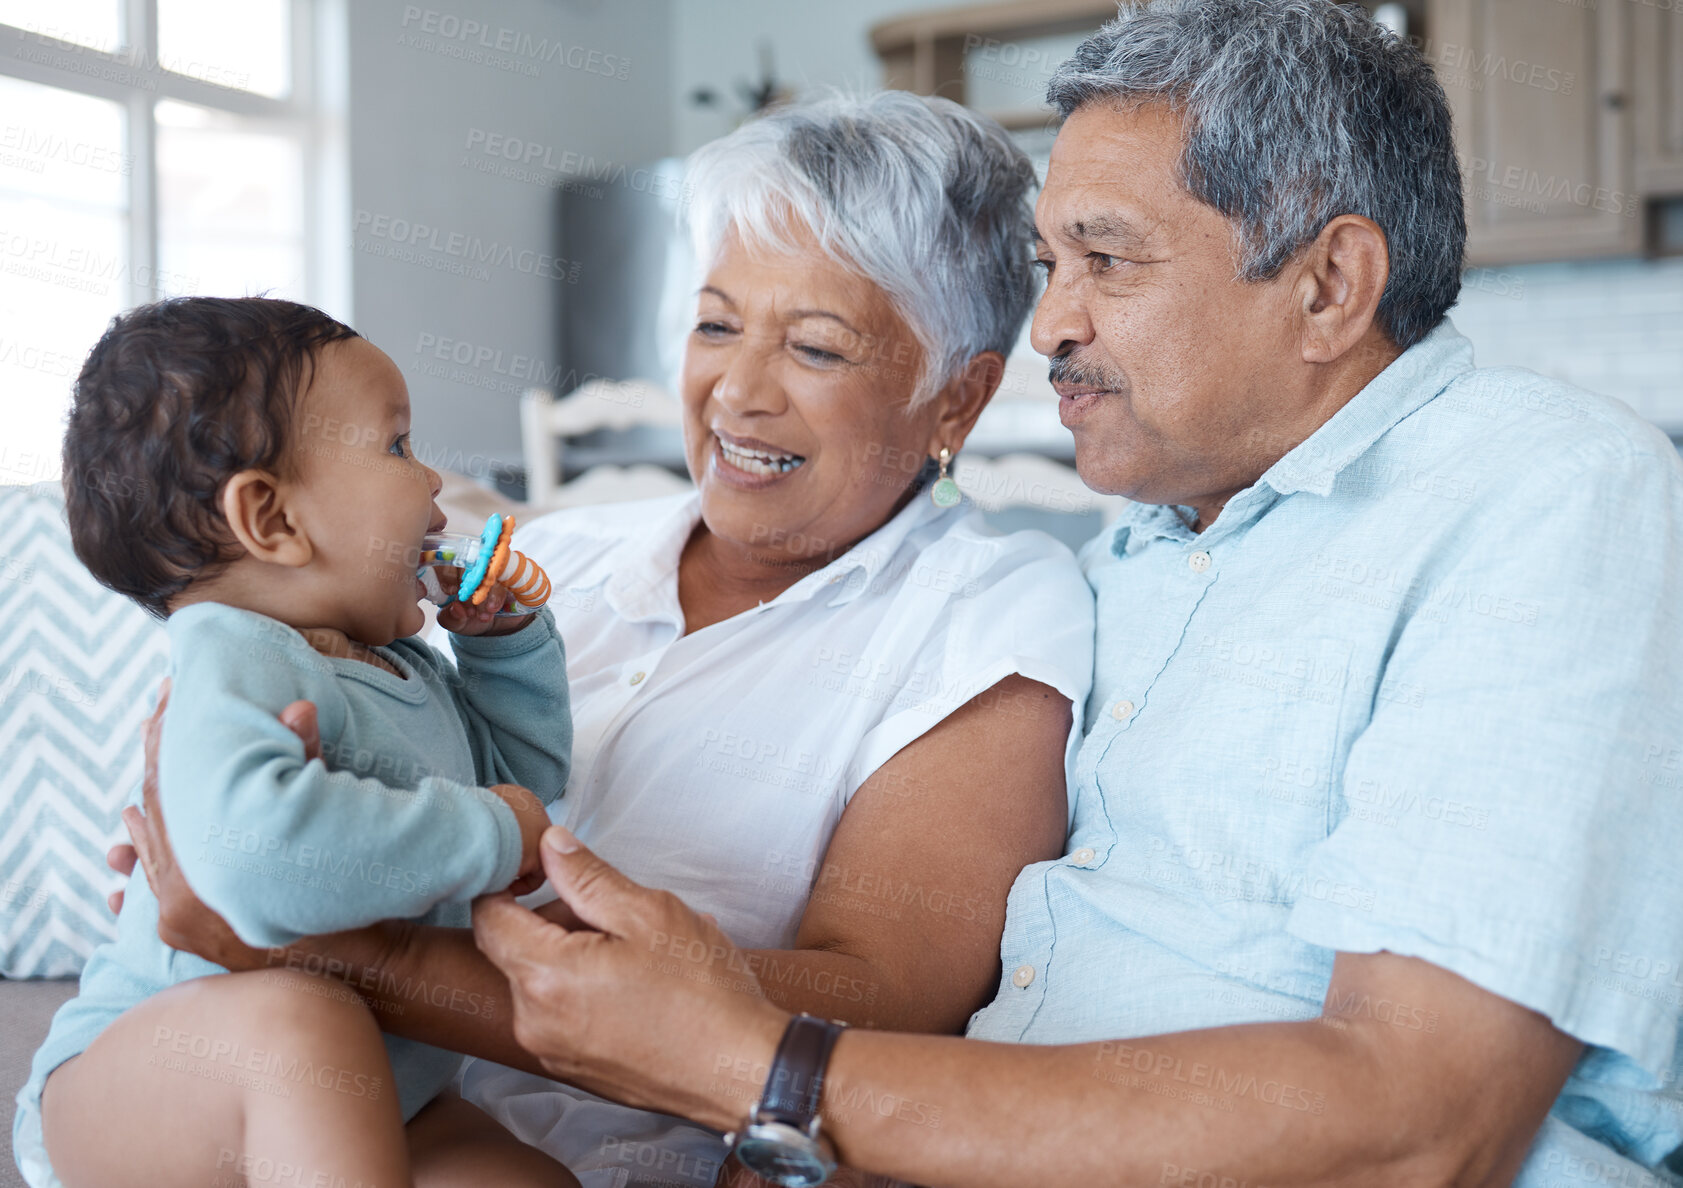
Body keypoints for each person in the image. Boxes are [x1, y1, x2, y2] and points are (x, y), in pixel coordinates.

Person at [451, 3, 1683, 1185]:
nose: (1048, 326)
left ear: (1327, 287)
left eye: (1105, 260)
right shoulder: (1140, 556)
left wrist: (768, 1073)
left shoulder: (1546, 494)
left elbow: (1418, 1125)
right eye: (1049, 263)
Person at [105, 93, 1097, 1188]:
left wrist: (323, 943)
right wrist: (209, 830)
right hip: (314, 1105)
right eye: (716, 324)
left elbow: (889, 996)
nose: (739, 393)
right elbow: (318, 722)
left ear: (953, 398)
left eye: (815, 347)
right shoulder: (555, 561)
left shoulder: (993, 610)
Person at [16, 297, 578, 1188]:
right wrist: (498, 832)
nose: (434, 481)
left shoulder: (407, 668)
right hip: (155, 1082)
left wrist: (501, 651)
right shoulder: (230, 653)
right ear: (271, 520)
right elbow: (258, 864)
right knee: (301, 1021)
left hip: (387, 1094)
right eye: (397, 447)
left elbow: (521, 789)